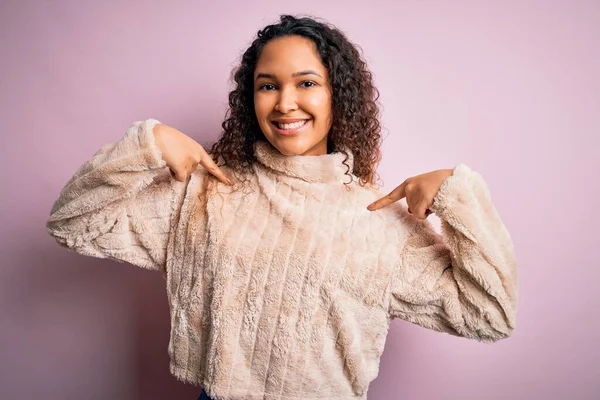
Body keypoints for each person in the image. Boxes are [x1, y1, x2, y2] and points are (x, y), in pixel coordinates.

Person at [46, 14, 518, 400]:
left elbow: (488, 316)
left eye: (307, 83)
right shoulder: (212, 193)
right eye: (267, 85)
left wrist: (459, 196)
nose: (285, 103)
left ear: (338, 96)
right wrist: (149, 144)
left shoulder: (375, 220)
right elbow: (73, 222)